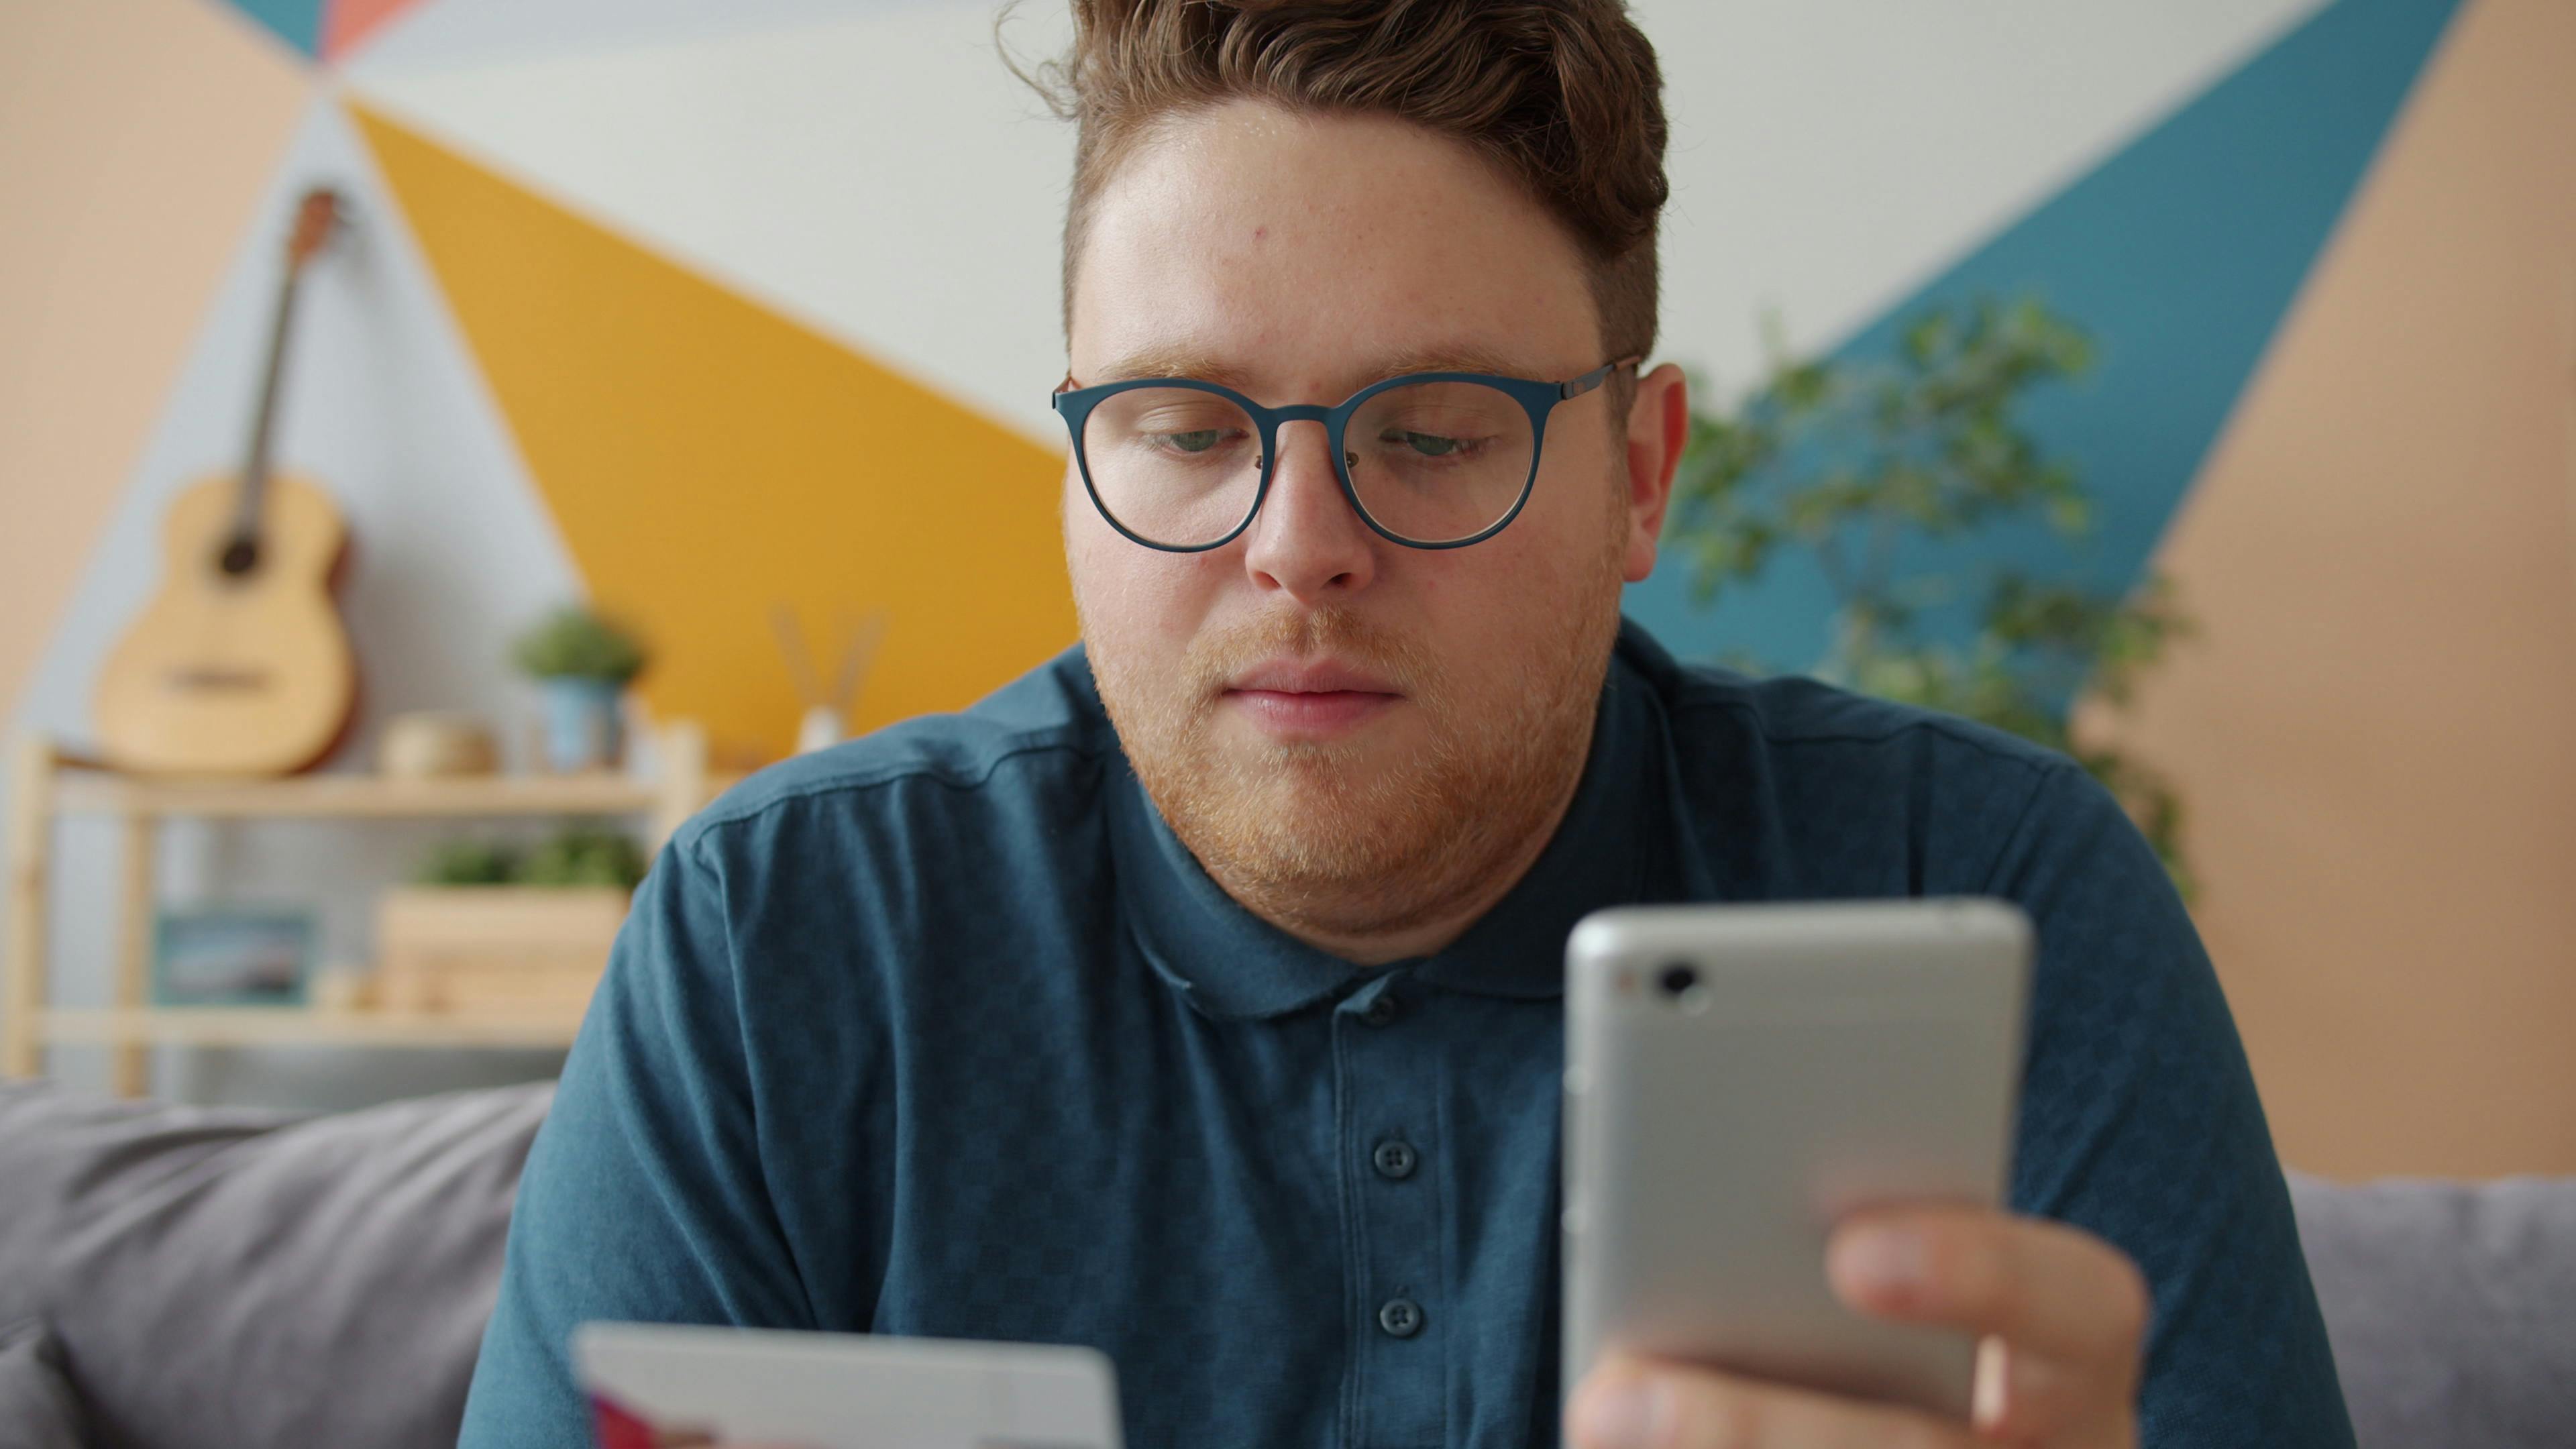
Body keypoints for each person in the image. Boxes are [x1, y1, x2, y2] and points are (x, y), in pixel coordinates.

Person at [458, 3, 2353, 1446]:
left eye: (1434, 433)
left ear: (1641, 475)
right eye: (1188, 431)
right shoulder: (776, 948)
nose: (1302, 549)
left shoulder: (1996, 897)